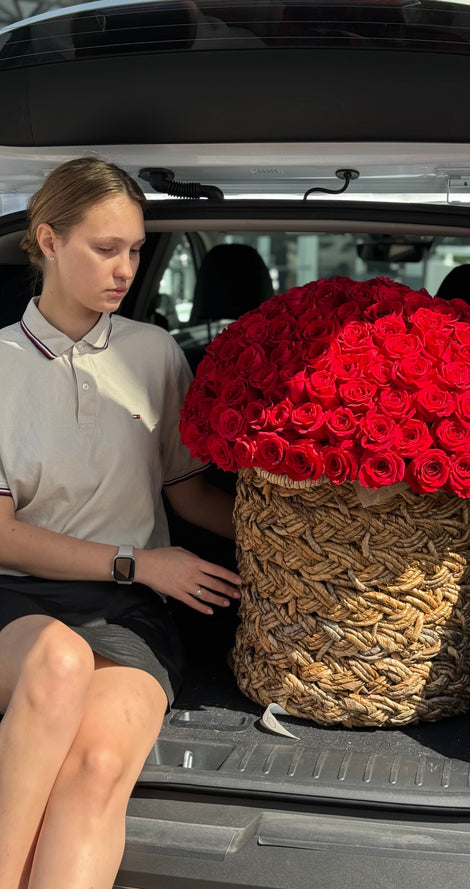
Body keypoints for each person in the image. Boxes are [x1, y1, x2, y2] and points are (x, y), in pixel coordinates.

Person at [0, 156, 241, 889]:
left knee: (101, 763)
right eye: (106, 248)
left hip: (133, 615)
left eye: (135, 249)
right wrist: (137, 559)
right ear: (47, 239)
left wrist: (305, 538)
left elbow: (189, 493)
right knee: (58, 661)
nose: (125, 268)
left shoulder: (157, 353)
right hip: (18, 600)